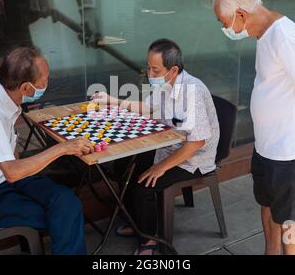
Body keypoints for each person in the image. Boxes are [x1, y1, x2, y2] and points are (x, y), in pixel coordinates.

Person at [212, 0, 295, 255]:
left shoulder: (284, 36)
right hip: (268, 147)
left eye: (224, 22)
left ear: (242, 15)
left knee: (289, 219)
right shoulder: (266, 34)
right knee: (268, 207)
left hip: (290, 151)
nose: (225, 29)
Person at [0, 47, 94, 255]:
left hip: (4, 180)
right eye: (44, 81)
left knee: (67, 203)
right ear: (26, 88)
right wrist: (63, 148)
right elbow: (12, 171)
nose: (48, 83)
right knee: (58, 216)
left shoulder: (3, 97)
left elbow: (13, 160)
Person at [92, 39, 220, 255]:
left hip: (194, 158)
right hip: (169, 145)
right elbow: (149, 108)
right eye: (148, 67)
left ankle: (149, 239)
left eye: (155, 69)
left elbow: (197, 142)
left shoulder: (191, 91)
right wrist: (112, 100)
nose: (150, 74)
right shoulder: (166, 85)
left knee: (145, 184)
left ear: (173, 70)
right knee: (124, 165)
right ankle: (137, 223)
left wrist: (161, 167)